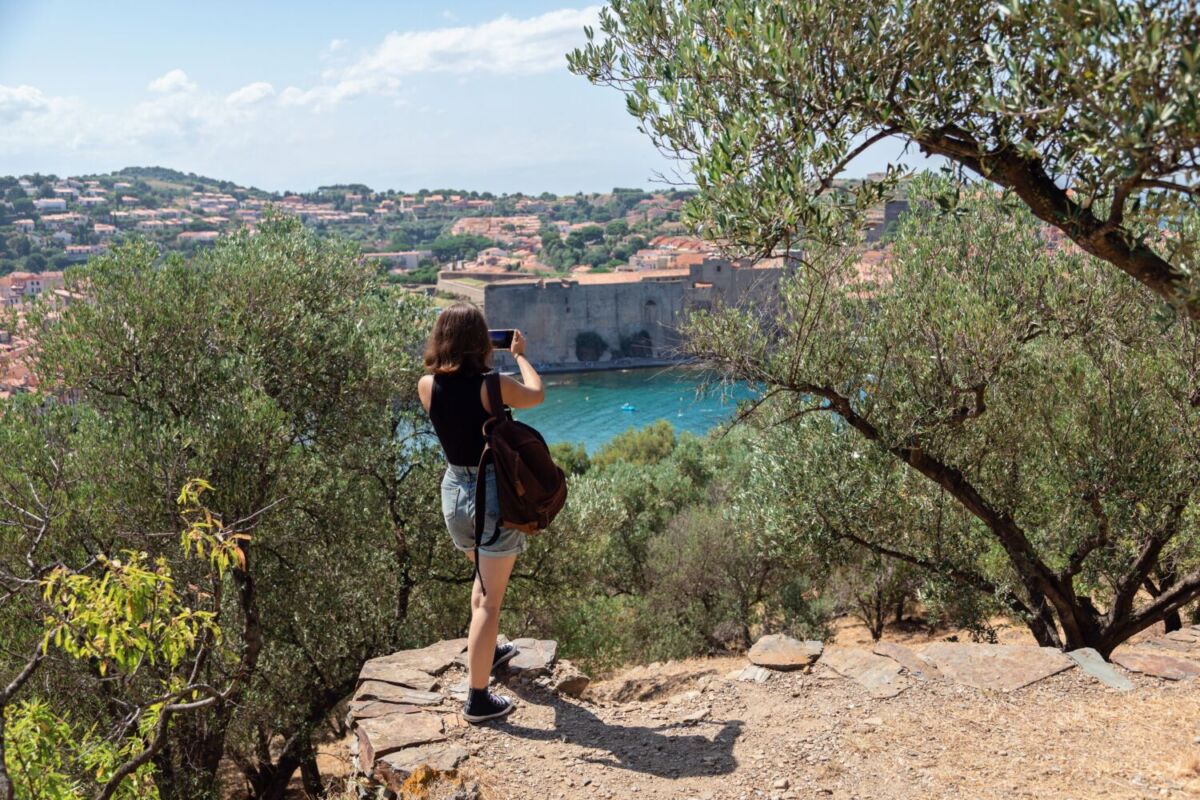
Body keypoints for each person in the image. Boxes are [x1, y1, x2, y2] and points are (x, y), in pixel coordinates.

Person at [417, 303, 545, 723]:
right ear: (480, 341)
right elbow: (536, 394)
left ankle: (486, 655)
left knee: (482, 582)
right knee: (490, 600)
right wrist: (520, 355)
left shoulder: (426, 385)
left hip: (455, 492)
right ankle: (477, 699)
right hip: (492, 493)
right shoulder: (493, 385)